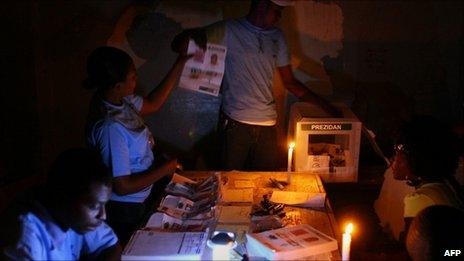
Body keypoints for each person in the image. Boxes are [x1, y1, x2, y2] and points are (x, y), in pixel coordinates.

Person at [171, 0, 342, 171]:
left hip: (267, 125)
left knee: (264, 181)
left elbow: (290, 83)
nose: (279, 17)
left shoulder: (277, 36)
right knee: (228, 181)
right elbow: (181, 45)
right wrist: (195, 37)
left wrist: (326, 107)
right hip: (236, 124)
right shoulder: (230, 30)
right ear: (262, 5)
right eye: (277, 11)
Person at [84, 46, 189, 244]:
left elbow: (153, 103)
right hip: (125, 210)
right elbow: (122, 186)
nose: (136, 80)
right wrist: (164, 169)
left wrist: (181, 62)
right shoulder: (110, 127)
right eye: (132, 77)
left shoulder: (121, 100)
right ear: (117, 85)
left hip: (141, 198)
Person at [1, 148, 120, 260]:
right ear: (64, 196)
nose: (103, 215)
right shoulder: (25, 236)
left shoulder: (76, 216)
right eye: (94, 206)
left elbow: (110, 246)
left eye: (103, 205)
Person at [391, 116, 464, 235]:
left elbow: (414, 251)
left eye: (398, 151)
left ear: (416, 158)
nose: (394, 158)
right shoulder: (446, 186)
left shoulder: (420, 199)